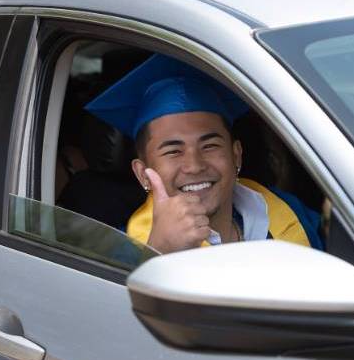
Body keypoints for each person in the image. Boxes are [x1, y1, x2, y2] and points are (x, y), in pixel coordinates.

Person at [85, 53, 322, 254]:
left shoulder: (289, 211)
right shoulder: (122, 253)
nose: (195, 165)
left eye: (209, 146)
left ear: (236, 155)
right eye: (173, 151)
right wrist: (159, 253)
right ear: (143, 174)